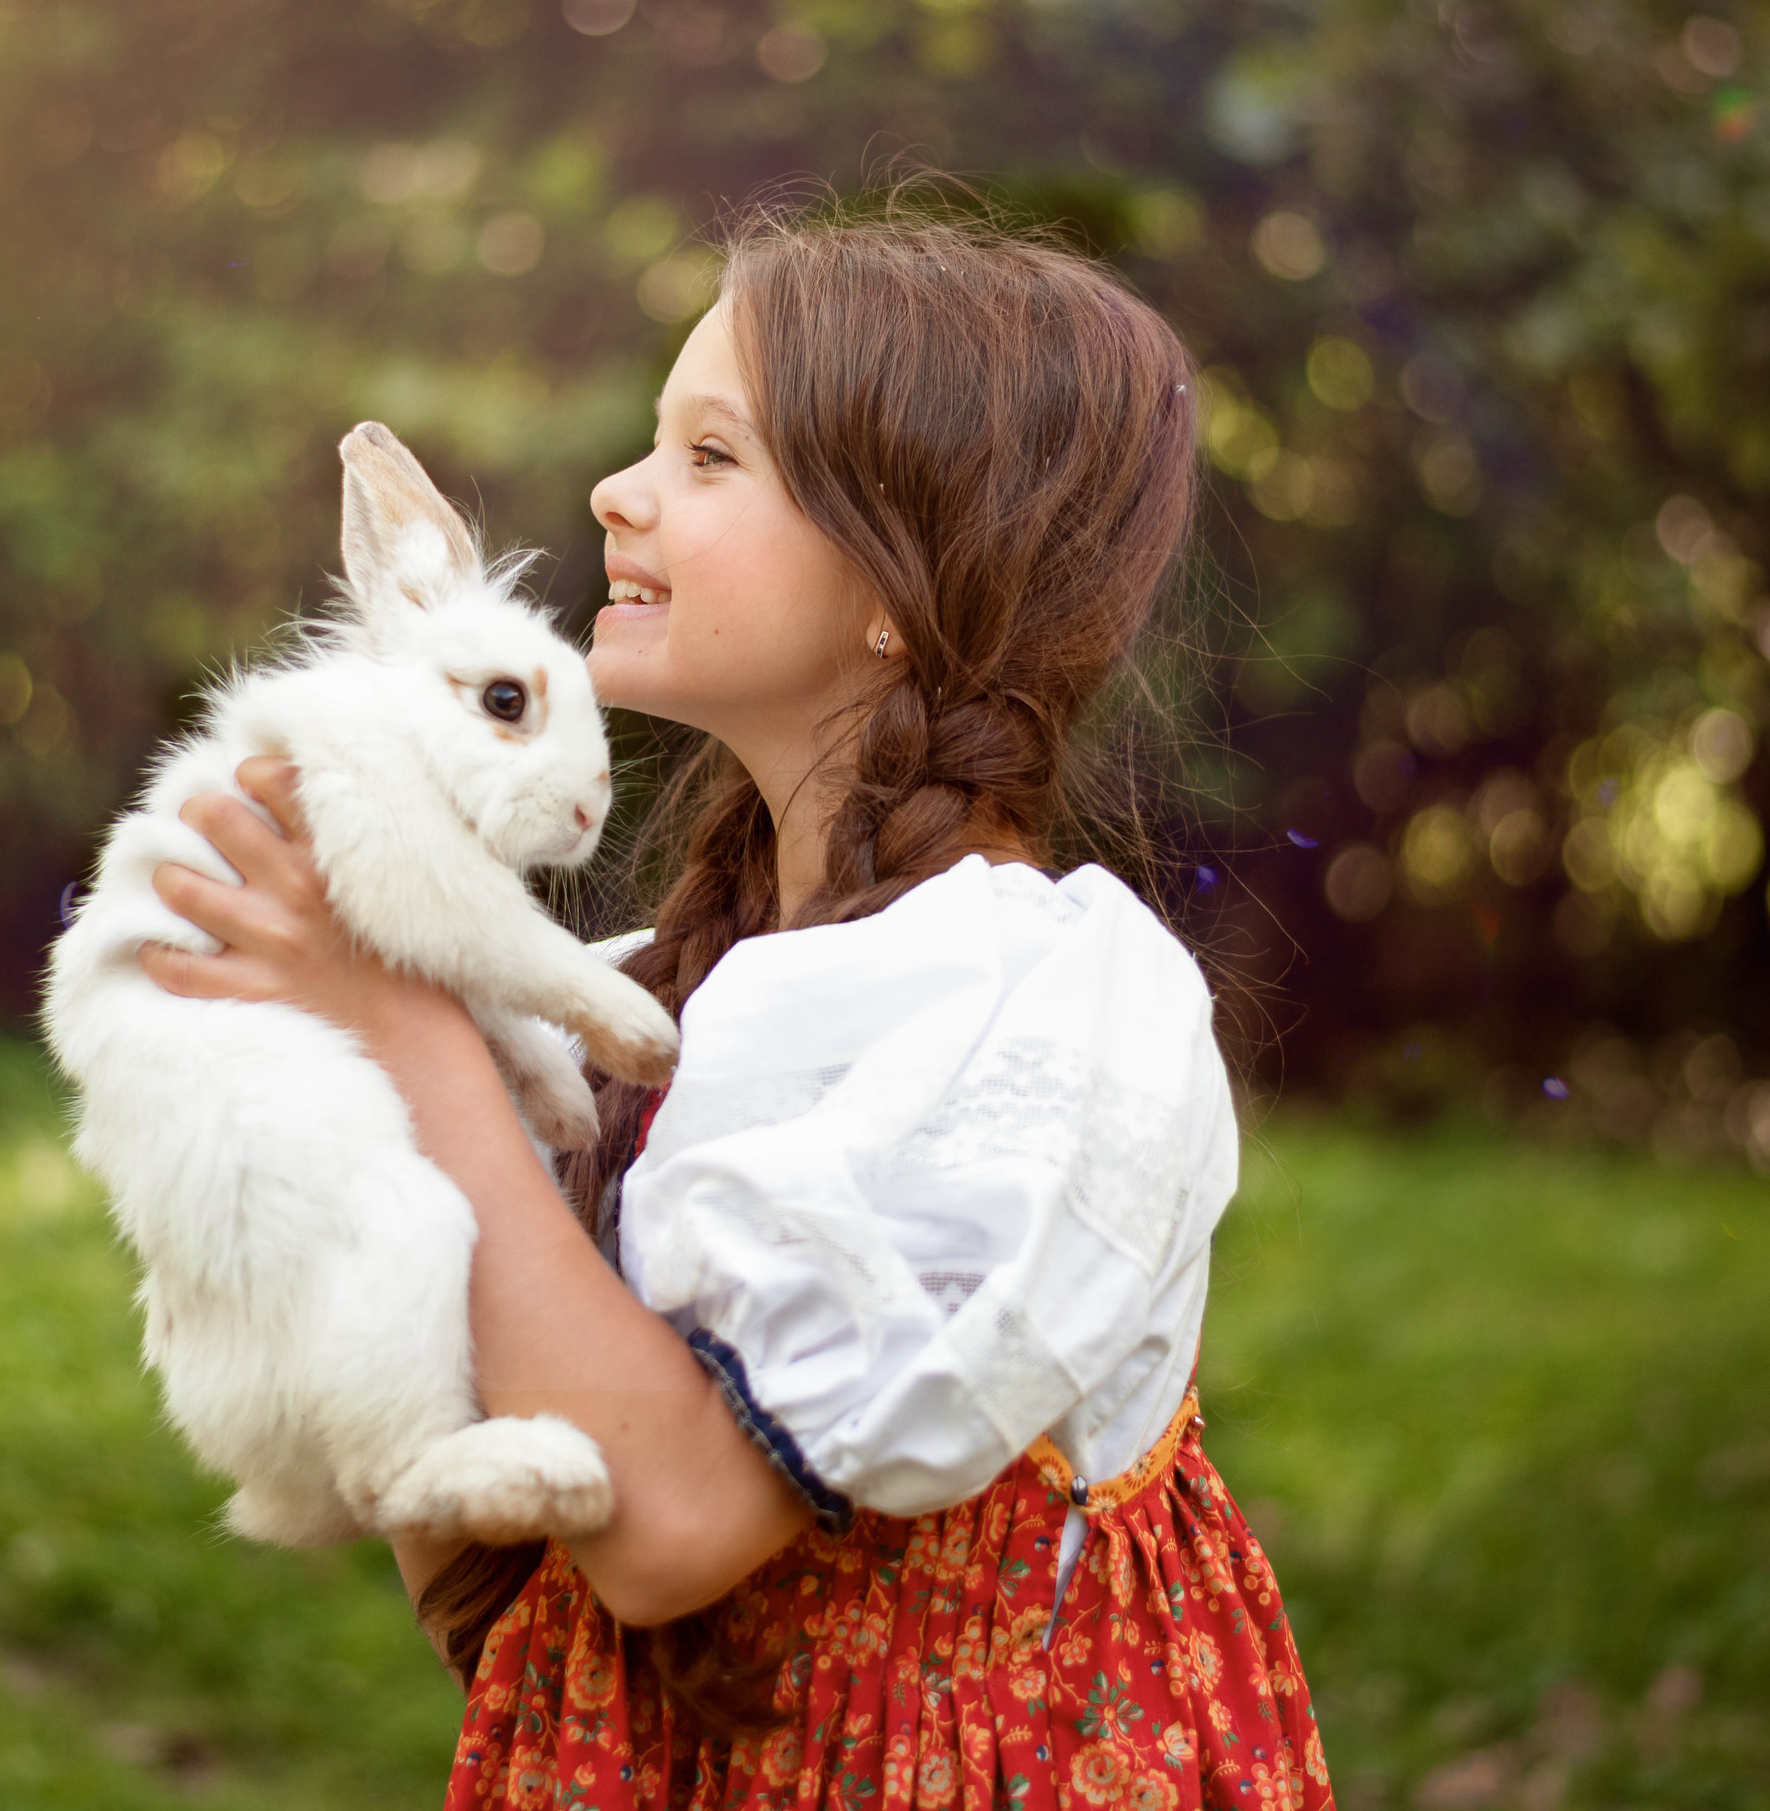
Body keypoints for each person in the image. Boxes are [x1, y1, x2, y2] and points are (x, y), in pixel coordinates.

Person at [136, 202, 1333, 1811]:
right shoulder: (645, 997)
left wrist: (404, 1028)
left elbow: (674, 1528)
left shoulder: (1037, 1006)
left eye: (710, 458)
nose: (616, 496)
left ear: (901, 579)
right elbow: (490, 1586)